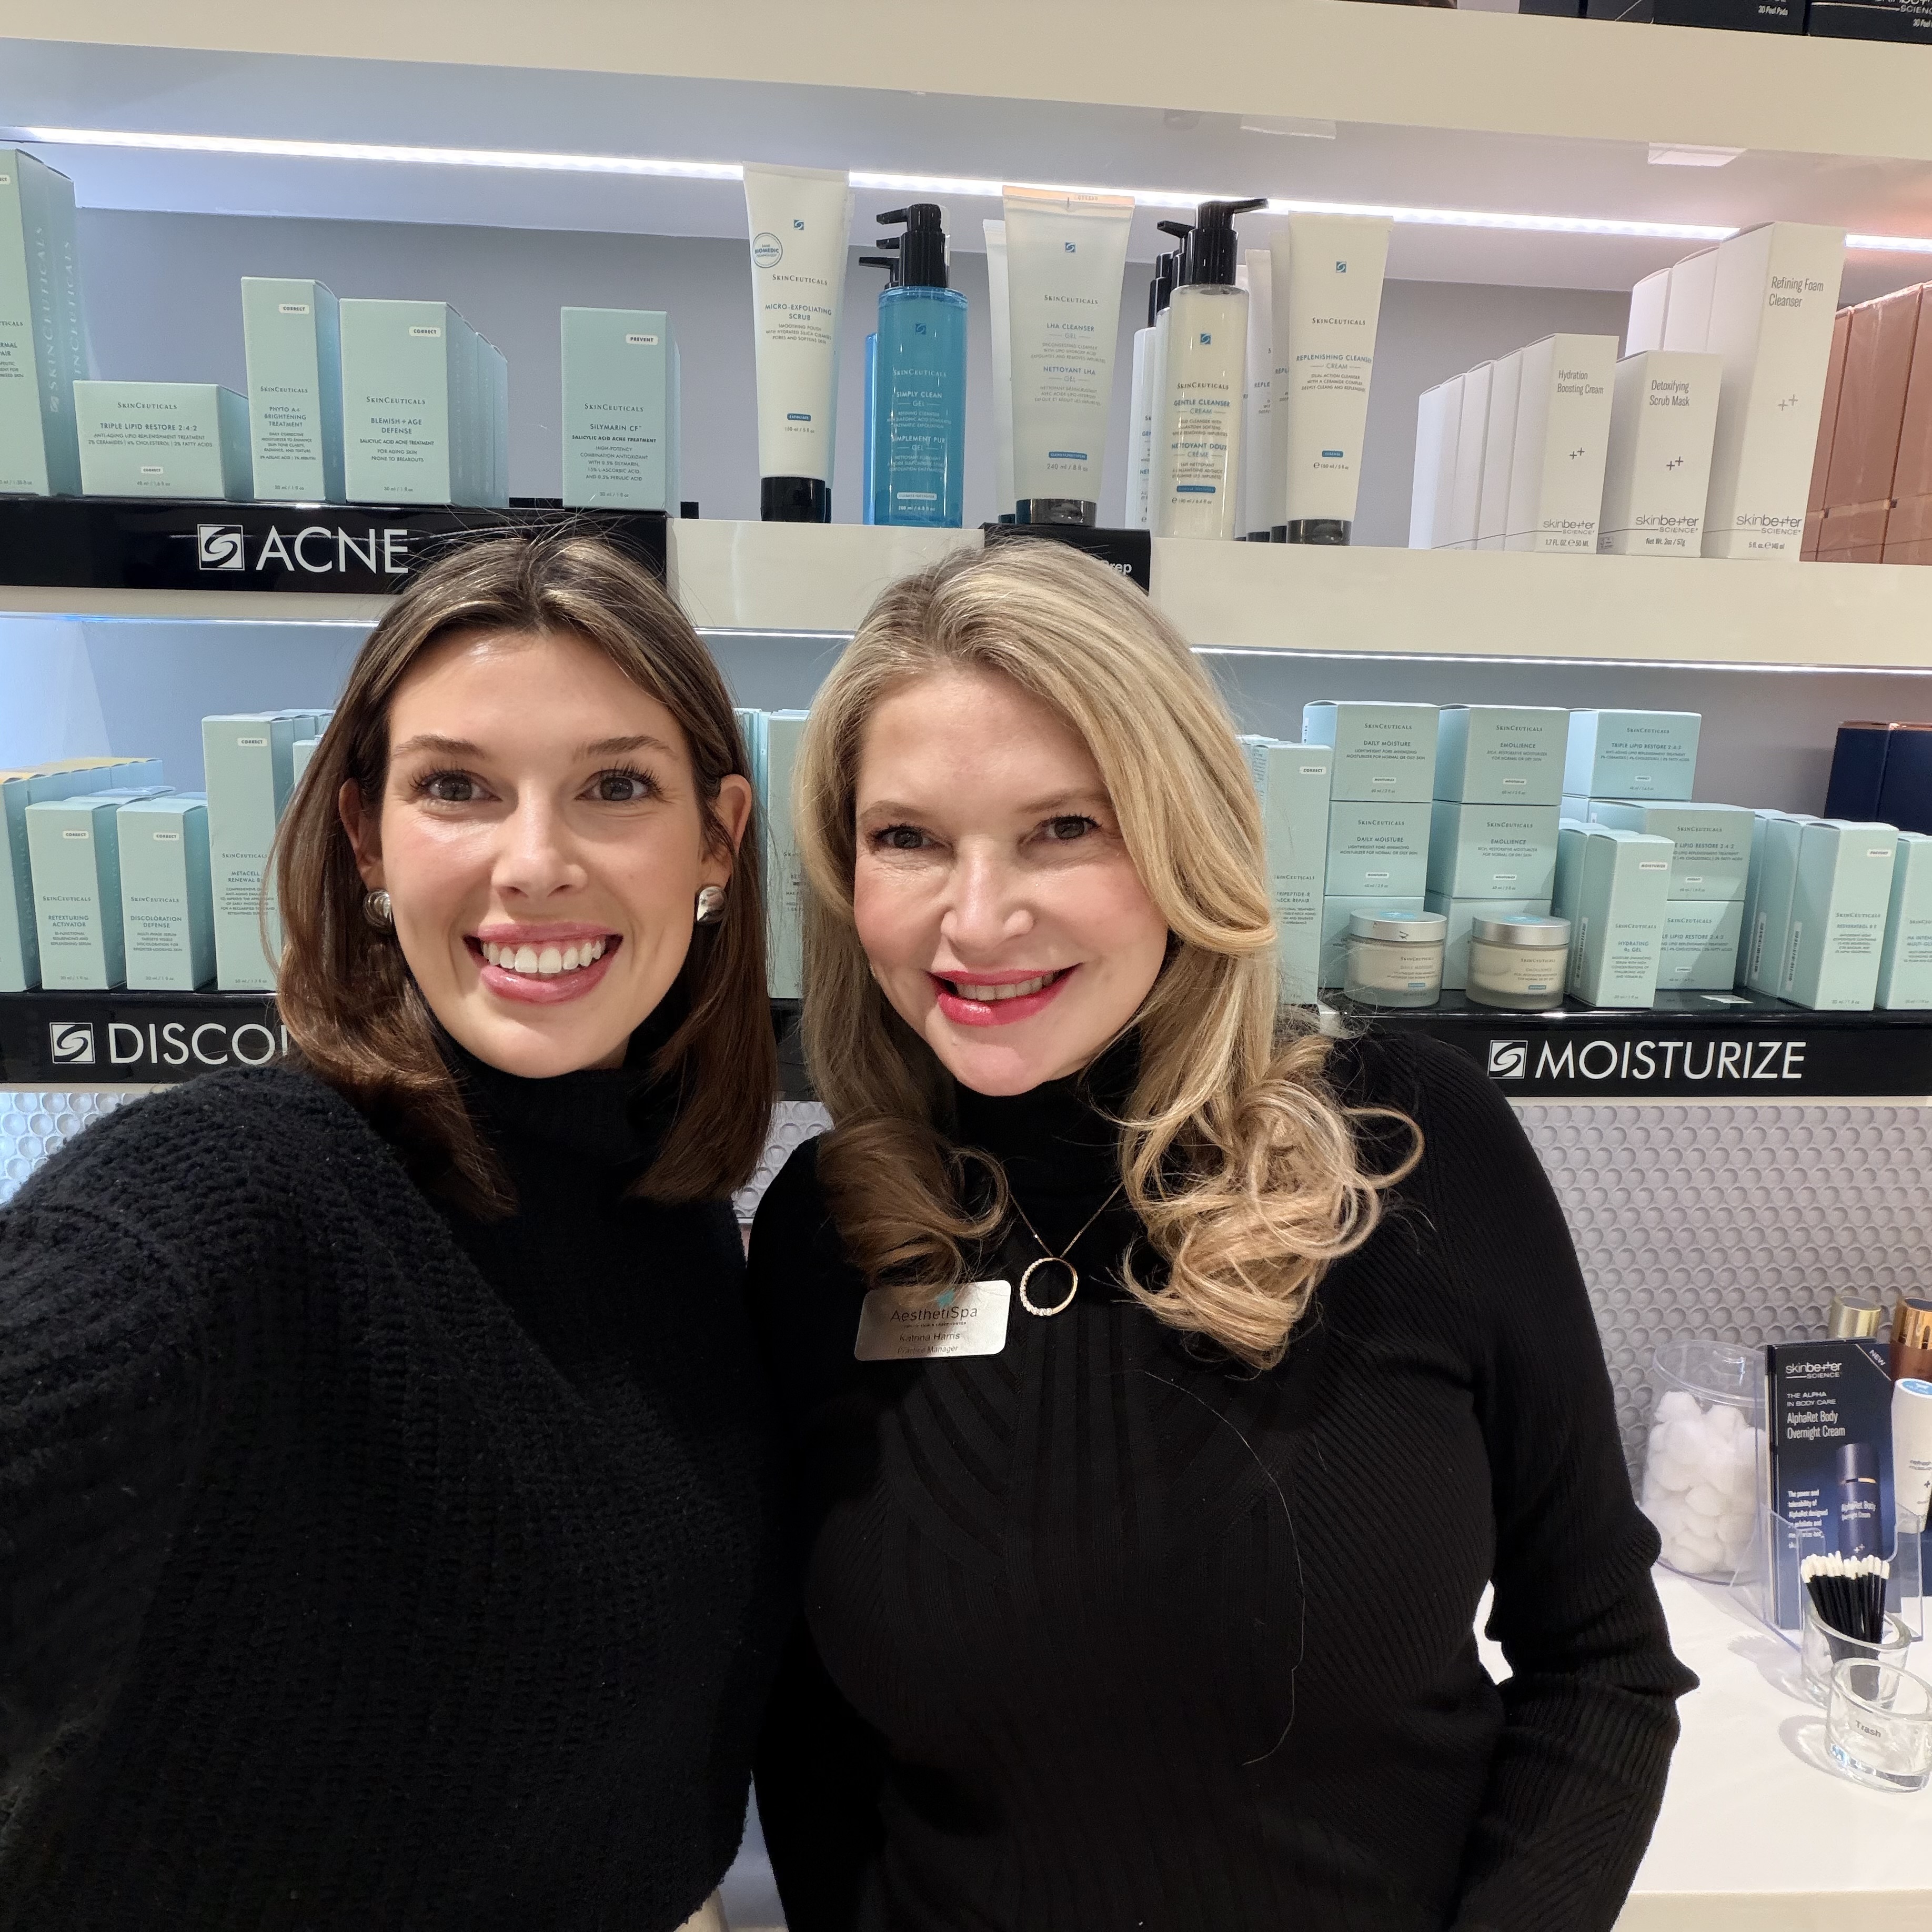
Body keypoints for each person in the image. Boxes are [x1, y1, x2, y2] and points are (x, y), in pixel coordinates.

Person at [749, 541, 1695, 1932]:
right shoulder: (827, 1234)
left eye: (1064, 828)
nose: (979, 916)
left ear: (1183, 835)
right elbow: (808, 1725)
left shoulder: (1407, 1148)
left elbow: (1602, 1661)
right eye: (909, 839)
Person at [0, 534, 786, 1931]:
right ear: (366, 837)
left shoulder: (672, 1216)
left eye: (616, 787)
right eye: (457, 789)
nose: (534, 865)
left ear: (718, 839)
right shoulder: (238, 1194)